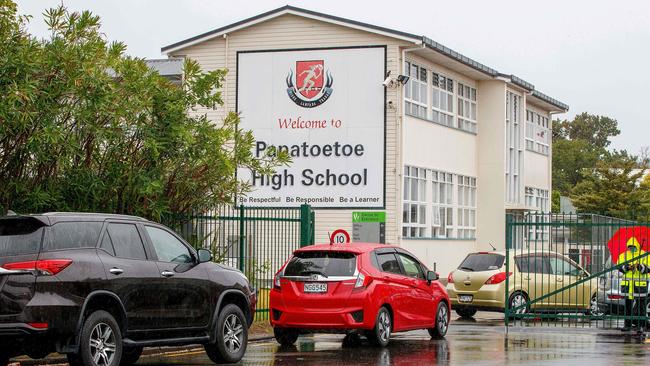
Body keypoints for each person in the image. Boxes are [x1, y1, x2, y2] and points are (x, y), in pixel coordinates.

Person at [617, 237, 650, 331]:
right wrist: (627, 267)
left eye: (633, 247)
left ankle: (641, 326)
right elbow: (619, 266)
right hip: (627, 285)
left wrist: (641, 267)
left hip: (640, 285)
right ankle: (627, 325)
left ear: (637, 246)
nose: (632, 248)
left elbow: (649, 268)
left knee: (641, 306)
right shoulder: (623, 255)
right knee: (627, 306)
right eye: (630, 247)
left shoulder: (645, 255)